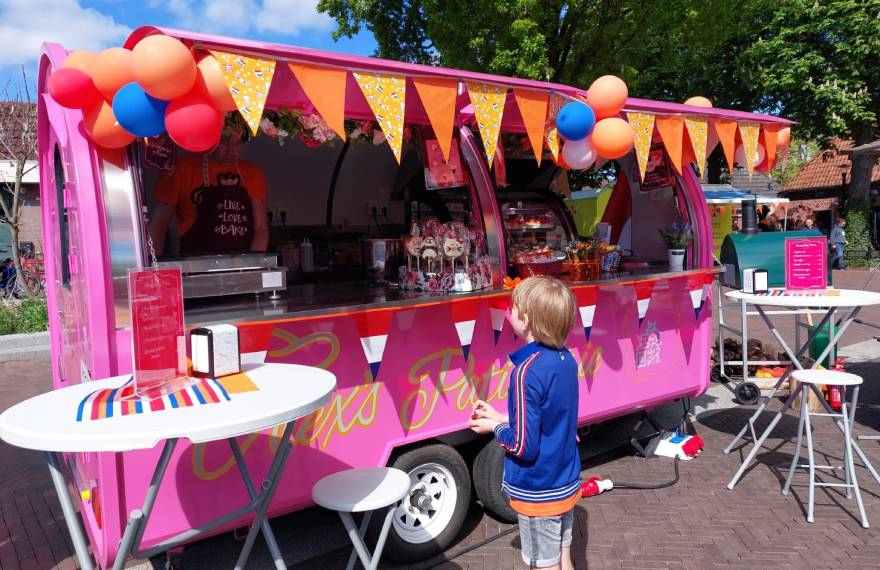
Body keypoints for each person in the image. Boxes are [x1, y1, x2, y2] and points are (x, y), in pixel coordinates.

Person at [469, 276, 580, 570]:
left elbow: (522, 446)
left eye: (513, 307)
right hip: (565, 481)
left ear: (528, 319)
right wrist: (501, 416)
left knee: (544, 565)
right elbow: (551, 416)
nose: (508, 312)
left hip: (538, 490)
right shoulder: (566, 359)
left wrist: (493, 427)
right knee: (564, 557)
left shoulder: (524, 372)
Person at [149, 125, 269, 257]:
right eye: (224, 142)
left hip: (241, 264)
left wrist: (254, 265)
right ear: (209, 137)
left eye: (237, 143)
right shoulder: (182, 169)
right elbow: (159, 224)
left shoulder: (253, 173)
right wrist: (155, 269)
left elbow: (261, 228)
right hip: (195, 264)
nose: (231, 150)